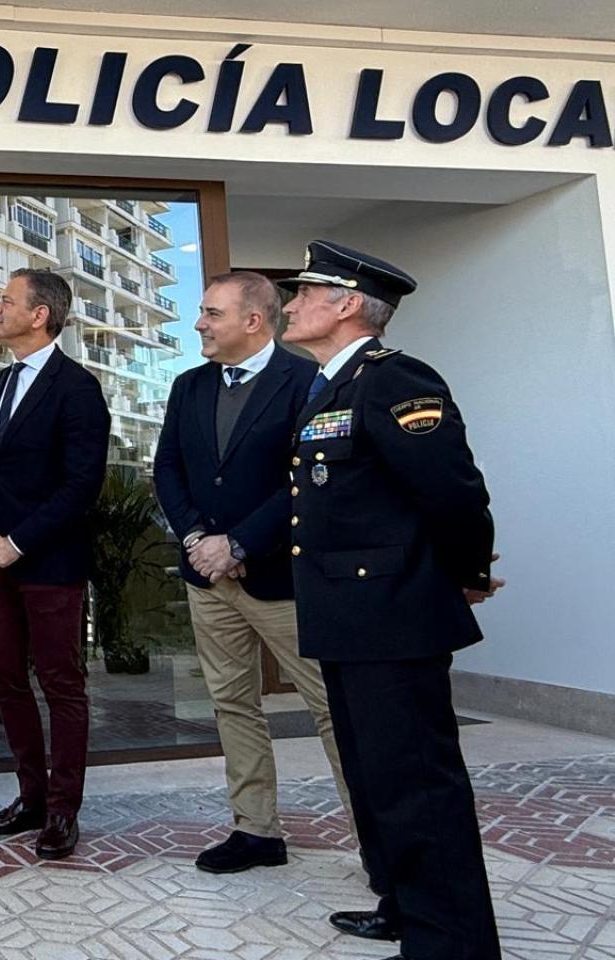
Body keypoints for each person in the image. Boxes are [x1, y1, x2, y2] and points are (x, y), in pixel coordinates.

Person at [279, 240, 503, 960]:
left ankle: (452, 944)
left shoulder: (395, 379)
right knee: (376, 777)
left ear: (347, 304)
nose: (290, 305)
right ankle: (405, 906)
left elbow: (454, 492)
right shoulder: (330, 386)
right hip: (348, 618)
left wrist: (463, 575)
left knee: (417, 785)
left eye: (303, 293)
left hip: (395, 616)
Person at [153, 271, 356, 874]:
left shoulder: (307, 381)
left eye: (211, 313)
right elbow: (168, 469)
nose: (199, 324)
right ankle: (256, 831)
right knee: (232, 704)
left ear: (253, 320)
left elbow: (307, 480)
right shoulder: (188, 386)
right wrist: (197, 539)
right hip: (208, 579)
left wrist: (239, 544)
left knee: (333, 707)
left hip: (282, 581)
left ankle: (378, 839)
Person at [0, 268, 109, 860]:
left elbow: (82, 484)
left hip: (50, 563)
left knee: (61, 684)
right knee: (4, 677)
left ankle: (62, 810)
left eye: (6, 300)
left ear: (40, 314)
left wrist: (18, 542)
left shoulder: (77, 388)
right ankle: (30, 797)